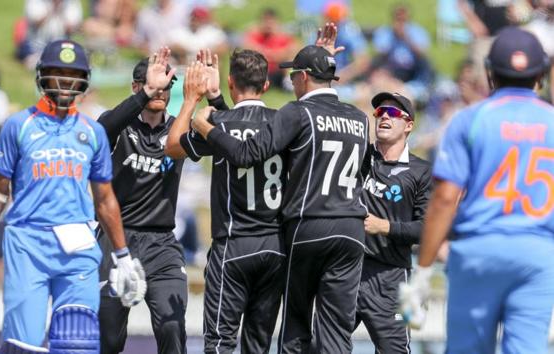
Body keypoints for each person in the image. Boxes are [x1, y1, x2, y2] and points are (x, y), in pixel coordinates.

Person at [0, 39, 145, 354]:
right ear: (42, 75)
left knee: (78, 343)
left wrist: (122, 257)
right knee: (23, 346)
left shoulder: (91, 132)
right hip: (28, 243)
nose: (66, 80)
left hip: (78, 245)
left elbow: (105, 198)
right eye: (58, 72)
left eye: (74, 73)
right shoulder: (18, 126)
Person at [192, 40, 370, 353]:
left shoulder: (297, 112)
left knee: (295, 327)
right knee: (336, 332)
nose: (290, 82)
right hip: (352, 229)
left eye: (293, 76)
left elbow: (246, 151)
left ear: (303, 77)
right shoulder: (358, 117)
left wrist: (205, 126)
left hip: (306, 225)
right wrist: (219, 100)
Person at [400, 27, 554, 353]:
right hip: (539, 253)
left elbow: (443, 199)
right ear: (541, 74)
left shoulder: (470, 119)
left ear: (489, 72)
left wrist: (423, 270)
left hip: (480, 251)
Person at [96, 47, 224, 354]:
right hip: (117, 240)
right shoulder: (119, 125)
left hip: (162, 243)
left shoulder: (178, 129)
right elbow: (102, 129)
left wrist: (216, 97)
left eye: (167, 86)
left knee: (171, 327)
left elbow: (231, 136)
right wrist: (145, 93)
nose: (160, 91)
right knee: (109, 336)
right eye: (152, 84)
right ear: (135, 87)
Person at [165, 49, 286, 353]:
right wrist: (218, 99)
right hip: (274, 247)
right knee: (257, 345)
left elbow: (172, 147)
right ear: (267, 85)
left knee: (219, 343)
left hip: (233, 244)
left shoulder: (217, 124)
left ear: (231, 82)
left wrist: (193, 98)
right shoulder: (284, 123)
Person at [353, 92, 431, 353]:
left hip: (393, 278)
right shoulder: (358, 156)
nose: (385, 116)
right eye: (380, 112)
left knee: (395, 351)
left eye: (394, 113)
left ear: (408, 125)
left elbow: (426, 229)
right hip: (347, 270)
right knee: (320, 346)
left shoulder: (421, 171)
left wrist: (384, 226)